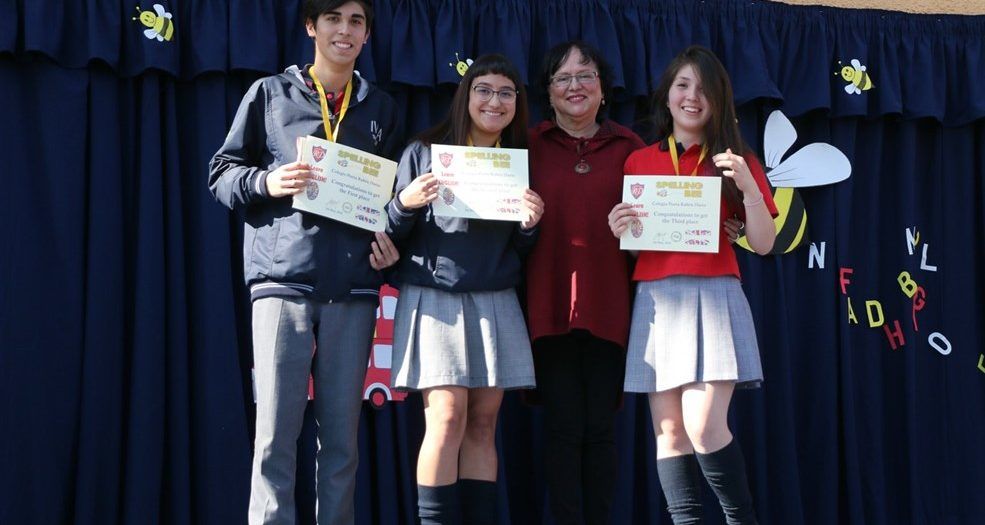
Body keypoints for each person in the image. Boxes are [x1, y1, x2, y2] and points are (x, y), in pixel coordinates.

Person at [208, 1, 403, 523]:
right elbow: (221, 173)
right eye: (333, 18)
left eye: (356, 21)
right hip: (283, 283)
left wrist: (391, 240)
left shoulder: (382, 108)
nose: (345, 30)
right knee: (275, 437)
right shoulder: (270, 94)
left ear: (367, 34)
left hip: (354, 290)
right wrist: (265, 181)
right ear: (311, 26)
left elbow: (392, 199)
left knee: (342, 443)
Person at [609, 45, 778, 525]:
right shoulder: (639, 161)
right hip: (657, 299)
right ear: (666, 95)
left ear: (719, 100)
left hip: (714, 295)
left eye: (704, 89)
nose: (692, 97)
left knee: (704, 427)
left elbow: (764, 244)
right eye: (682, 85)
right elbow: (643, 248)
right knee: (670, 433)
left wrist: (748, 187)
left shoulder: (737, 161)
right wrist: (623, 228)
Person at [385, 53, 544, 525]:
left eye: (506, 93)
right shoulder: (424, 152)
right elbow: (388, 237)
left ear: (517, 103)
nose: (495, 101)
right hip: (435, 299)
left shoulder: (518, 163)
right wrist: (404, 203)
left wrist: (530, 225)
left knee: (483, 423)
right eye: (484, 90)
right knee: (447, 417)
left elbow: (520, 248)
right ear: (465, 96)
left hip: (495, 299)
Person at [524, 41, 644, 524]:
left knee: (599, 431)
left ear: (603, 87)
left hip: (609, 307)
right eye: (563, 78)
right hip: (546, 304)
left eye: (586, 75)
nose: (575, 86)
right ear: (548, 91)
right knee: (562, 429)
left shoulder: (631, 149)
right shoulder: (525, 146)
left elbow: (658, 226)